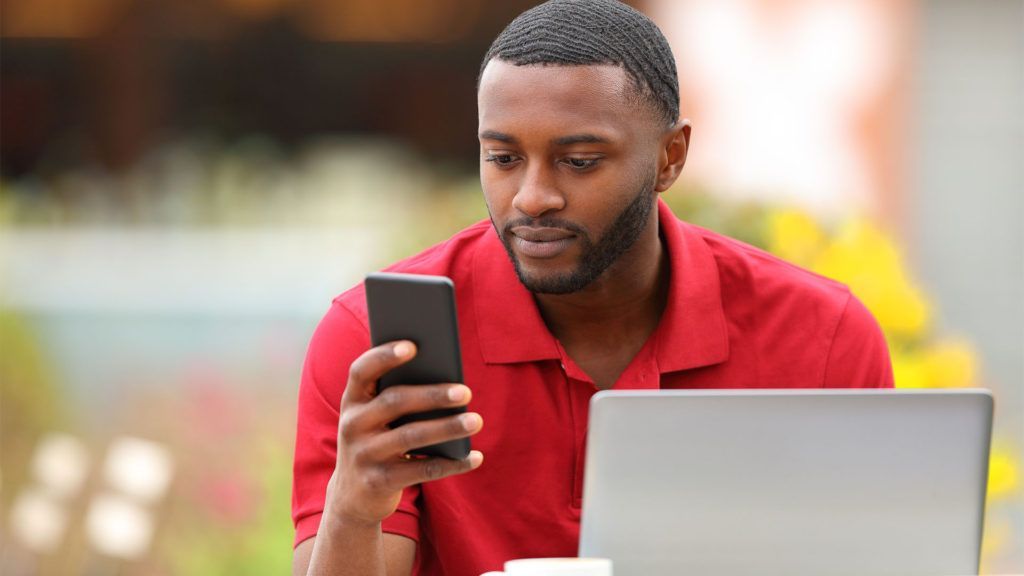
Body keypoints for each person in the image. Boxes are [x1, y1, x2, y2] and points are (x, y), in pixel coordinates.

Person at [291, 1, 894, 575]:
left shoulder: (821, 336)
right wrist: (352, 508)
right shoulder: (376, 341)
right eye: (502, 158)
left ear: (670, 157)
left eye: (578, 161)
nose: (531, 198)